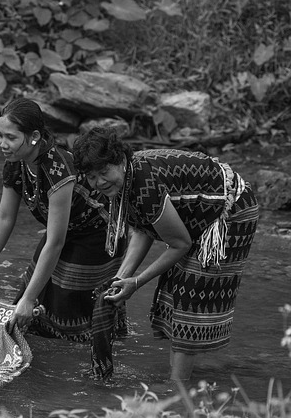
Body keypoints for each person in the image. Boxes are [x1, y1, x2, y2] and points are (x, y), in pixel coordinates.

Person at [72, 126, 258, 381]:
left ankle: (177, 388)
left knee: (189, 296)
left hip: (230, 209)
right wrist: (121, 278)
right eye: (92, 177)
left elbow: (180, 244)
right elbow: (143, 229)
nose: (99, 183)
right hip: (197, 215)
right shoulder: (124, 182)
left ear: (121, 161)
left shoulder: (144, 184)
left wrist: (137, 282)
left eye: (104, 172)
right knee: (176, 293)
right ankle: (183, 377)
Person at [0, 97, 126, 340]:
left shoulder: (58, 169)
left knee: (69, 312)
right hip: (65, 230)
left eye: (11, 137)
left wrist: (29, 299)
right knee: (30, 303)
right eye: (0, 135)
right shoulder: (15, 163)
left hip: (98, 233)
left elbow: (55, 242)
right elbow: (4, 218)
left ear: (34, 136)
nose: (2, 144)